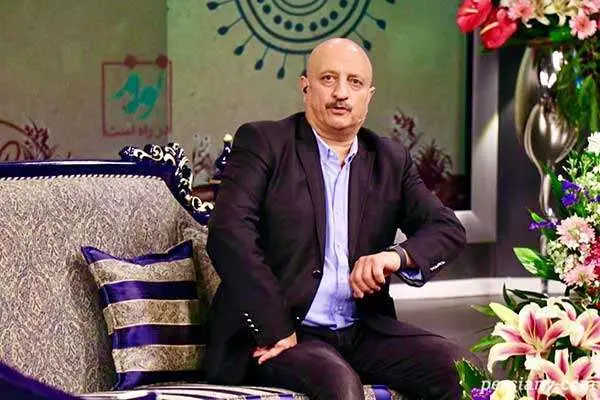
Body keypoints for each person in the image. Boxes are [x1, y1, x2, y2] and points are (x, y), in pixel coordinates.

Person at [205, 37, 478, 400]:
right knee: (340, 385)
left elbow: (446, 228)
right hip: (285, 332)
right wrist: (274, 326)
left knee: (464, 371)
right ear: (306, 86)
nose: (341, 93)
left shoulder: (389, 159)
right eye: (328, 79)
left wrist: (394, 257)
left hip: (362, 330)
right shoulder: (264, 142)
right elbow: (228, 234)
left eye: (355, 82)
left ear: (369, 95)